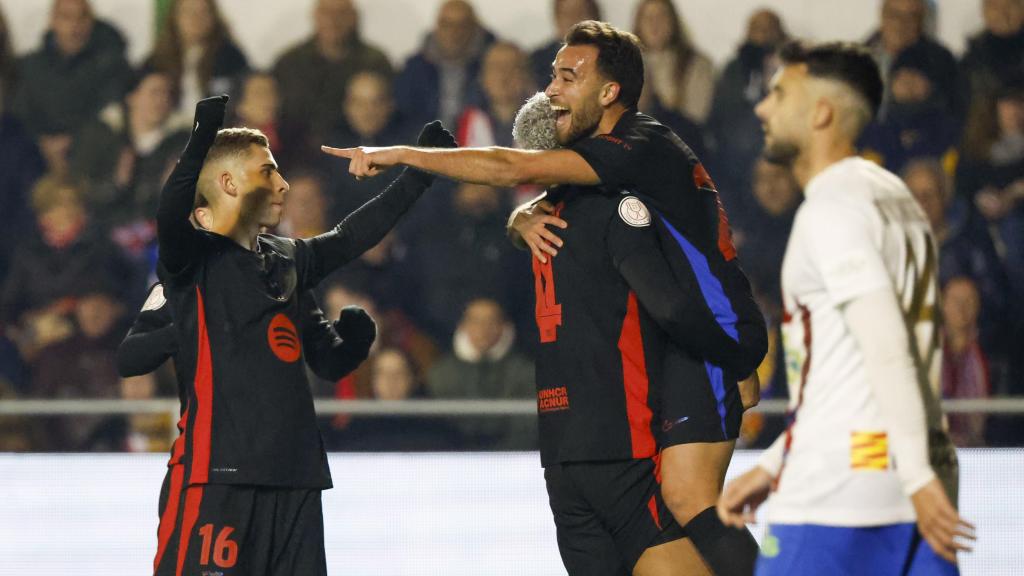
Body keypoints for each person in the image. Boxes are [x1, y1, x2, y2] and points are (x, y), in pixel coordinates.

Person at [324, 20, 767, 576]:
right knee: (676, 506)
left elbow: (514, 166)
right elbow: (539, 194)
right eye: (553, 74)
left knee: (689, 499)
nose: (551, 88)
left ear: (610, 94)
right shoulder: (604, 165)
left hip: (713, 335)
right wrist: (520, 217)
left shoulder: (640, 144)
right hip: (678, 341)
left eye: (567, 76)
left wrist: (400, 155)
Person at [151, 93, 455, 575]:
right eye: (267, 172)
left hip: (297, 476)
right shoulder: (194, 261)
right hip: (218, 477)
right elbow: (170, 212)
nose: (283, 184)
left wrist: (419, 172)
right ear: (227, 183)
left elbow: (352, 239)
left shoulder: (287, 260)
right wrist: (199, 142)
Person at [716, 41, 974, 574]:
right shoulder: (895, 196)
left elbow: (884, 348)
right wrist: (771, 464)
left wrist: (917, 480)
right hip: (906, 484)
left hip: (836, 496)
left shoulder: (831, 209)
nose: (763, 108)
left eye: (779, 93)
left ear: (821, 112)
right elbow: (846, 373)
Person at [272, 0, 392, 147]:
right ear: (315, 15)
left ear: (354, 17)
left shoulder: (375, 62)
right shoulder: (289, 64)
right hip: (299, 155)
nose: (333, 20)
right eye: (326, 13)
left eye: (341, 14)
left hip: (359, 152)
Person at [426, 298, 536, 450]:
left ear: (503, 327)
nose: (484, 329)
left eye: (491, 321)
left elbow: (527, 427)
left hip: (511, 461)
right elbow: (440, 428)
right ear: (463, 326)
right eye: (476, 321)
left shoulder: (525, 372)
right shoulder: (440, 374)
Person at [393, 0, 495, 128]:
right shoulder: (414, 68)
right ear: (437, 26)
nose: (454, 32)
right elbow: (404, 115)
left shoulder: (492, 64)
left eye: (462, 25)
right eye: (447, 24)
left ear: (475, 27)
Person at [147, 0, 249, 117]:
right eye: (188, 12)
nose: (195, 19)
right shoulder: (158, 59)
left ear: (213, 17)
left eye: (203, 12)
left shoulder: (231, 57)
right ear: (174, 17)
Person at [632, 0, 715, 124]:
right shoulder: (624, 64)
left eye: (661, 16)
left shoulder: (696, 64)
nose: (654, 24)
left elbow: (695, 117)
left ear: (673, 22)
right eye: (647, 17)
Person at [529, 0, 602, 89]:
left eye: (580, 13)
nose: (574, 21)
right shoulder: (537, 62)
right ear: (556, 18)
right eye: (567, 15)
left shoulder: (614, 54)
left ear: (595, 17)